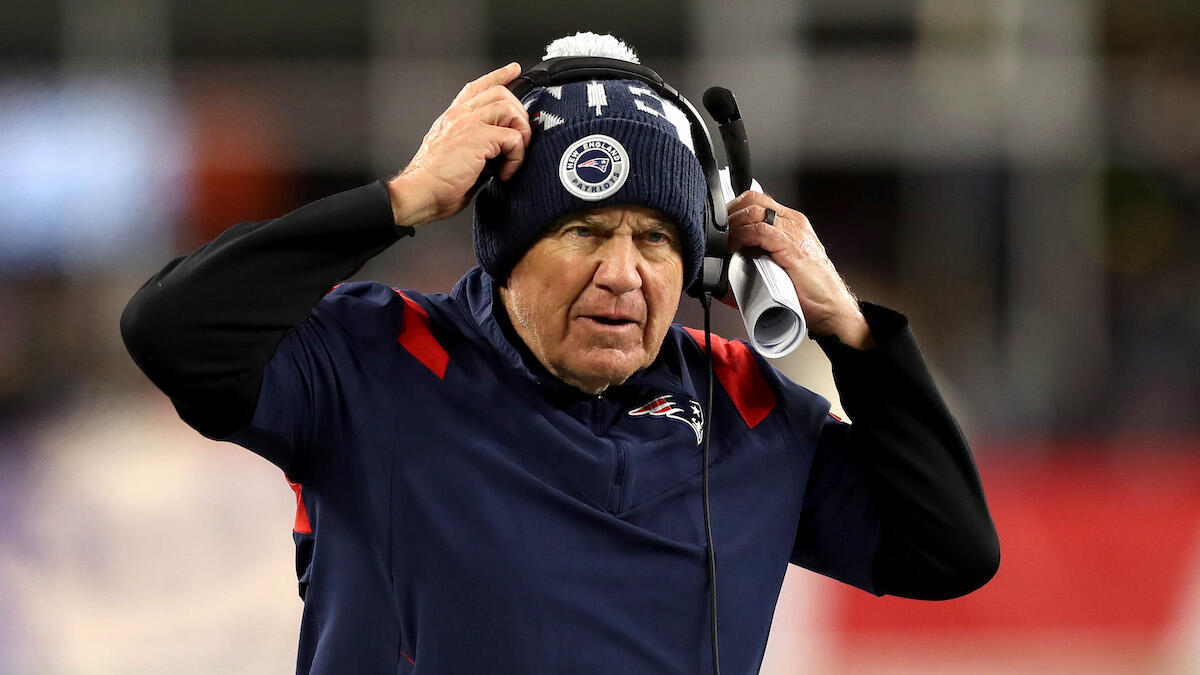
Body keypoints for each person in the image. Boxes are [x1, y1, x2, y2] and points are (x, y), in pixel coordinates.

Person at [122, 34, 998, 675]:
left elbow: (948, 551)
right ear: (507, 249)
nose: (622, 273)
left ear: (697, 264)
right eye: (584, 230)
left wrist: (852, 333)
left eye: (655, 239)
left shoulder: (743, 406)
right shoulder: (380, 358)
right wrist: (399, 200)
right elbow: (172, 333)